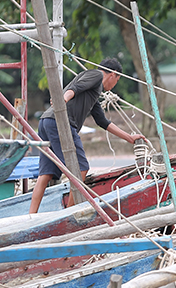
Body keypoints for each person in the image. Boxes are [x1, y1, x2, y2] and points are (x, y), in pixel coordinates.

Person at [29, 57, 144, 213]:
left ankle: (31, 215)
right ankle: (68, 214)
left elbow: (102, 121)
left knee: (47, 173)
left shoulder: (94, 93)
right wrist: (62, 99)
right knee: (81, 168)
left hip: (46, 122)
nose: (115, 85)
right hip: (60, 122)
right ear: (113, 75)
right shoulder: (96, 75)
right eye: (117, 80)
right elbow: (75, 88)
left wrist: (129, 138)